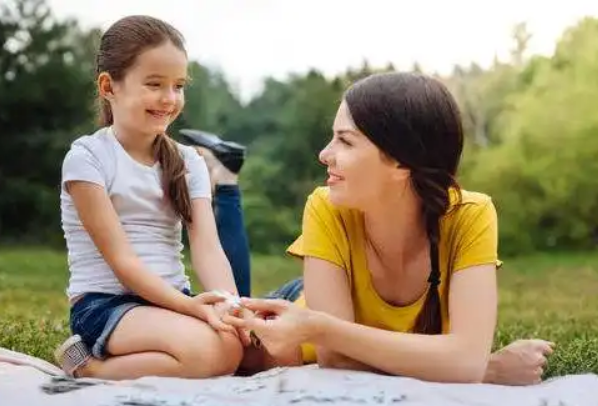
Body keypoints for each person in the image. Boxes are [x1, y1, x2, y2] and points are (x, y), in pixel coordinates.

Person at [197, 72, 555, 385]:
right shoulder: (326, 206)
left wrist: (323, 328)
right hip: (301, 306)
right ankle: (225, 181)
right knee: (230, 331)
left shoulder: (470, 215)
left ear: (401, 162)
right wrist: (486, 369)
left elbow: (463, 359)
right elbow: (334, 359)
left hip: (315, 317)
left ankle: (225, 178)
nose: (324, 153)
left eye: (346, 140)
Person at [53, 15, 247, 380]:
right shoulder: (87, 158)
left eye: (178, 86)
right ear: (109, 86)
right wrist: (193, 309)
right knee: (212, 353)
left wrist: (229, 306)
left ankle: (199, 342)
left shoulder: (190, 161)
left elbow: (207, 247)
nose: (169, 99)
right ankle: (88, 367)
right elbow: (123, 263)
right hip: (105, 304)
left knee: (243, 345)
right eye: (154, 84)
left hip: (171, 298)